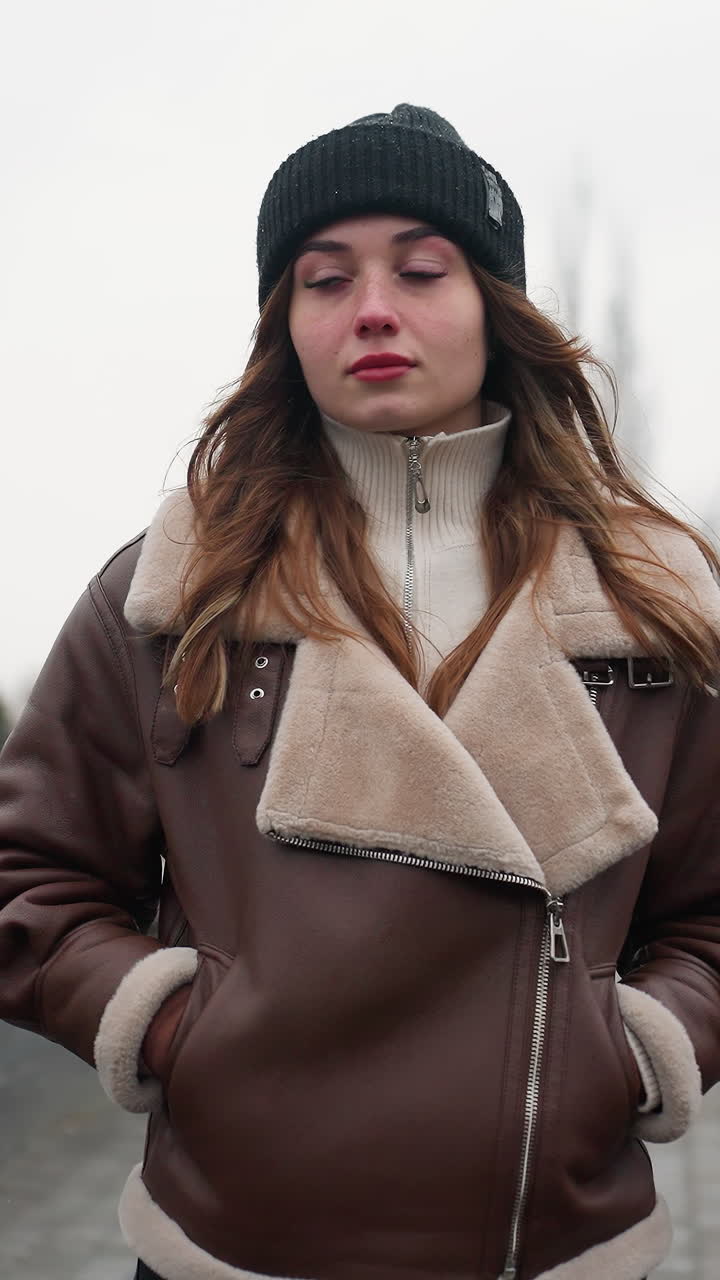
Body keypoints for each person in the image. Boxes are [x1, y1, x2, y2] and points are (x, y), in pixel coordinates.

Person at [1, 103, 720, 1280]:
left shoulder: (654, 597)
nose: (373, 307)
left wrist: (639, 1041)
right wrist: (174, 1021)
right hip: (232, 1249)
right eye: (324, 279)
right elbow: (31, 879)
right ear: (286, 326)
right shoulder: (170, 593)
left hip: (556, 1248)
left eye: (422, 268)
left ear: (498, 302)